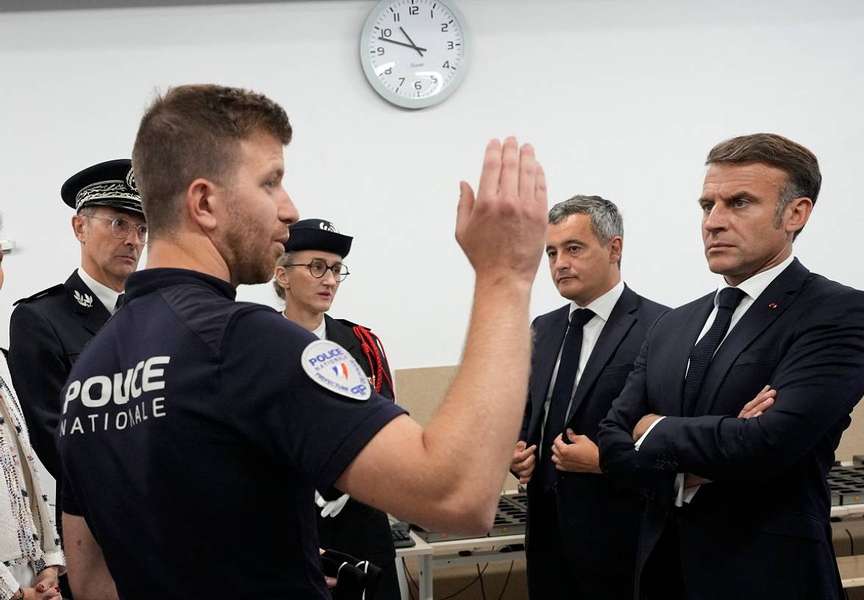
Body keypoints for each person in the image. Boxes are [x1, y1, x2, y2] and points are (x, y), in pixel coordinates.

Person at [57, 84, 547, 599]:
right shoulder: (244, 341)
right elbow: (458, 494)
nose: (289, 209)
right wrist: (504, 275)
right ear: (203, 202)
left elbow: (93, 582)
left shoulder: (89, 370)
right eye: (271, 182)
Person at [597, 133, 864, 599]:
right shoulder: (673, 324)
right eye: (707, 205)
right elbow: (611, 441)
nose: (713, 222)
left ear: (796, 213)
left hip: (769, 577)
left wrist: (652, 430)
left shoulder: (836, 312)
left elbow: (770, 443)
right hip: (664, 576)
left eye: (739, 203)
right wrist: (711, 451)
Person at [509, 195, 667, 599]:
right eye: (551, 252)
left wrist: (607, 462)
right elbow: (529, 414)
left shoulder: (662, 326)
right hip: (546, 532)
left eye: (573, 248)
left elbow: (670, 436)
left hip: (622, 533)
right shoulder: (542, 329)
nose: (560, 263)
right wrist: (518, 451)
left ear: (614, 248)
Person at [273, 218, 400, 600]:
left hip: (360, 519)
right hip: (287, 523)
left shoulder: (361, 344)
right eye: (316, 267)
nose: (329, 279)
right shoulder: (258, 345)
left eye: (335, 269)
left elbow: (385, 428)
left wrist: (349, 484)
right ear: (282, 275)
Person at [8, 159, 146, 481]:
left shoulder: (153, 318)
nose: (133, 240)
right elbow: (55, 439)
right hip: (91, 514)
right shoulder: (39, 320)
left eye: (142, 229)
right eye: (119, 224)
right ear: (80, 228)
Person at [0, 218, 66, 600]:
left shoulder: (4, 363)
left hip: (29, 577)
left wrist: (50, 560)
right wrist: (14, 594)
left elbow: (28, 469)